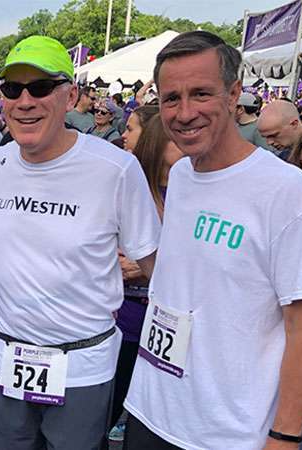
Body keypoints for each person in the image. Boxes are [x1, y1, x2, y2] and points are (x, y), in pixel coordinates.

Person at [123, 31, 302, 450]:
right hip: (151, 408)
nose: (185, 112)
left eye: (201, 94)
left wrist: (284, 436)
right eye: (171, 98)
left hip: (227, 432)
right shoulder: (183, 174)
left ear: (234, 94)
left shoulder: (286, 190)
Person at [0, 35, 160, 450]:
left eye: (40, 88)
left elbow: (157, 267)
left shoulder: (115, 168)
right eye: (12, 89)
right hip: (4, 359)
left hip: (81, 366)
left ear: (70, 95)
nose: (25, 101)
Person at [107, 114, 183, 443]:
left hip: (171, 327)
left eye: (130, 128)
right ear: (157, 139)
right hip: (125, 320)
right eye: (177, 135)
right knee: (106, 411)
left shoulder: (196, 190)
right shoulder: (128, 186)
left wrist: (150, 262)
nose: (188, 140)